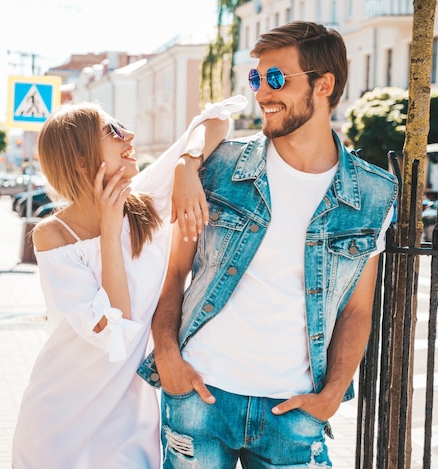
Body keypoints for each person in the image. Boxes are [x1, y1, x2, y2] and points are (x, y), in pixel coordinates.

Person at [138, 21, 398, 467]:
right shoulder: (219, 167)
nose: (261, 93)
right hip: (200, 395)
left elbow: (357, 309)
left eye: (276, 78)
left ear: (324, 85)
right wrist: (167, 356)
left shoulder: (373, 195)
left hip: (293, 411)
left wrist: (333, 393)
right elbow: (174, 272)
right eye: (257, 78)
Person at [11, 97, 247, 469]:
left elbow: (215, 122)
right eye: (114, 131)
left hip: (128, 425)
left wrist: (188, 163)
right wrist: (109, 226)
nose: (130, 135)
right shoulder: (53, 236)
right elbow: (112, 329)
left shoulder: (146, 203)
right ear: (82, 160)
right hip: (58, 425)